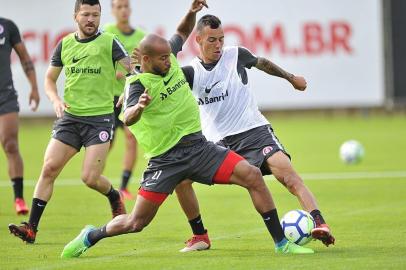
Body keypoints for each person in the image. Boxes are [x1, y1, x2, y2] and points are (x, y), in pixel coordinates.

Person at [60, 0, 314, 258]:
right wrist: (139, 107)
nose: (169, 62)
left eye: (168, 56)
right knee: (135, 223)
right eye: (162, 59)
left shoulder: (167, 56)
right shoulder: (137, 84)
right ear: (146, 60)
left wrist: (191, 12)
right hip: (165, 161)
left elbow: (181, 33)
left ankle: (281, 243)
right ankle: (91, 235)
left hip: (199, 147)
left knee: (252, 176)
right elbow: (127, 117)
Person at [174, 14, 335, 251]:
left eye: (221, 39)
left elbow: (263, 63)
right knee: (181, 179)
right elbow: (164, 83)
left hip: (254, 132)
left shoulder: (236, 55)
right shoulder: (190, 73)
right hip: (218, 143)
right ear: (197, 39)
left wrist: (291, 78)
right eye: (212, 40)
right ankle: (200, 236)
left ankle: (320, 222)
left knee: (288, 176)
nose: (218, 45)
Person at [8, 0, 131, 244]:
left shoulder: (109, 42)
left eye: (95, 15)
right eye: (86, 14)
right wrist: (55, 99)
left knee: (90, 178)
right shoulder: (64, 44)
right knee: (49, 168)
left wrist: (131, 86)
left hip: (99, 120)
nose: (91, 19)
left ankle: (114, 195)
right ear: (76, 16)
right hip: (71, 118)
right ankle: (31, 228)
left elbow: (132, 70)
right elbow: (49, 78)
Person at [103, 0, 146, 200]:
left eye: (126, 6)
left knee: (131, 140)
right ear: (112, 10)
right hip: (109, 98)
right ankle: (97, 178)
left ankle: (124, 186)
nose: (123, 10)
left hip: (131, 96)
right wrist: (114, 74)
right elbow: (100, 63)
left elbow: (145, 64)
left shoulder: (140, 36)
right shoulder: (106, 33)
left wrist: (133, 75)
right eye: (118, 6)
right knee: (106, 142)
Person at [0, 17, 40, 215]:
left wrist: (34, 87)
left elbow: (24, 57)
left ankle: (19, 198)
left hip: (5, 95)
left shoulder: (7, 26)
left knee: (10, 144)